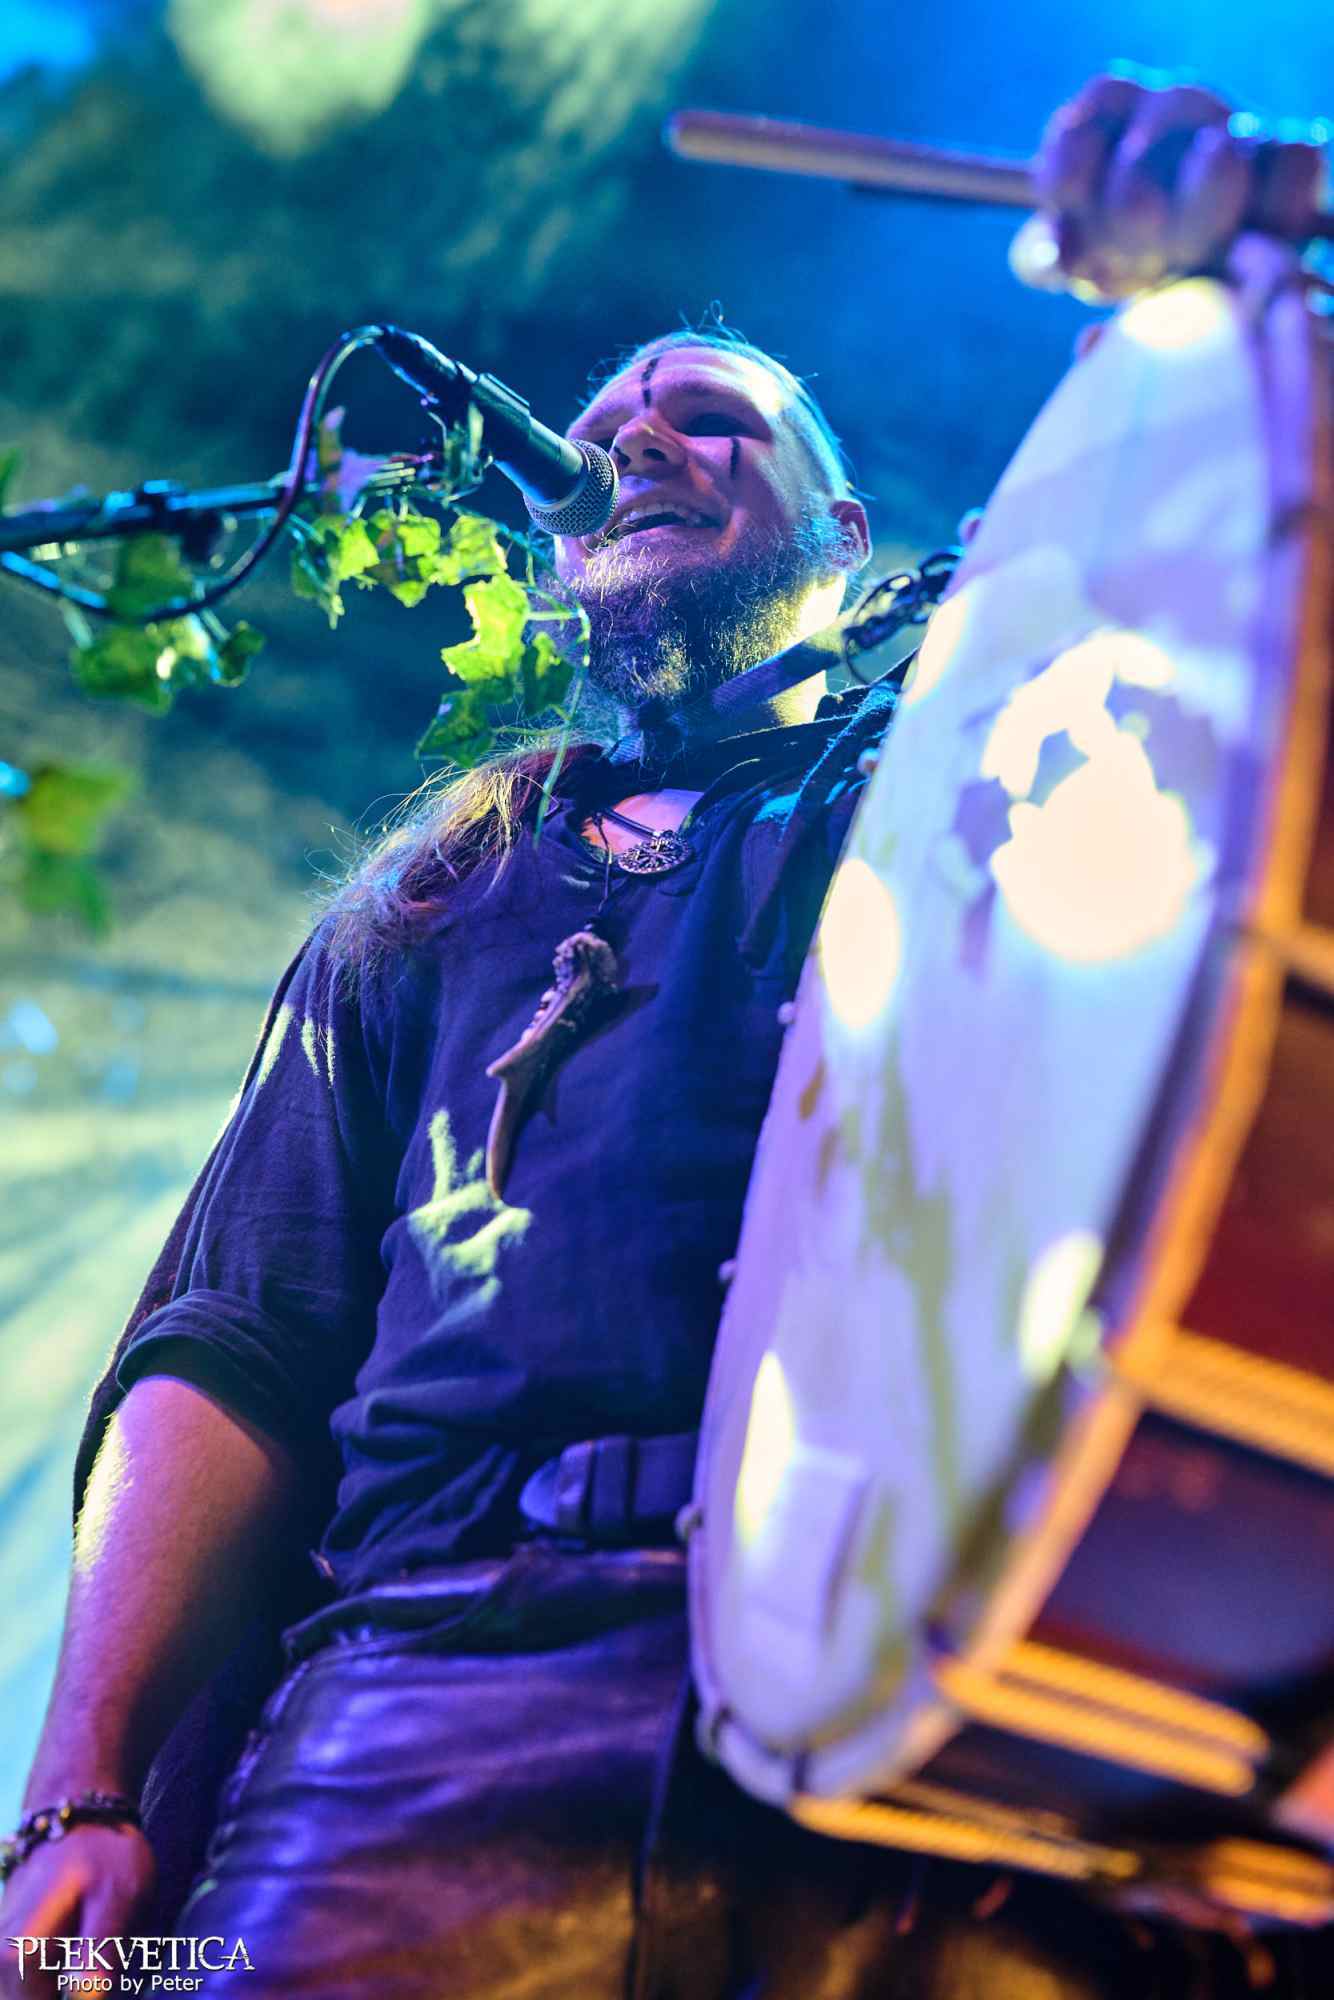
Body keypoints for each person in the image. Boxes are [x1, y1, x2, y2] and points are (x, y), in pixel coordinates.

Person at [1, 70, 1328, 2000]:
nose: (636, 435)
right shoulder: (426, 901)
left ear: (842, 534)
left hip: (937, 1692)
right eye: (615, 417)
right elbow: (236, 1343)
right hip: (430, 1695)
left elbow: (1234, 670)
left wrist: (1202, 308)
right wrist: (83, 1789)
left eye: (711, 418)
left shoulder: (979, 776)